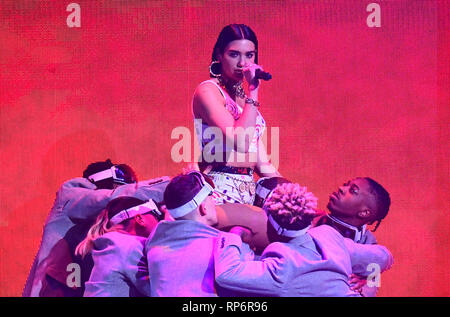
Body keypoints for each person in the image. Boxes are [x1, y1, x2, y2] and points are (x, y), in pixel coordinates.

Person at [214, 182, 394, 297]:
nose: (341, 188)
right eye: (347, 184)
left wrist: (369, 281)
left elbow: (383, 259)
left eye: (352, 191)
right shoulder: (320, 225)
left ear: (364, 213)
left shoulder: (363, 242)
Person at [22, 159, 170, 297]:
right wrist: (178, 185)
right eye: (122, 185)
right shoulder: (70, 194)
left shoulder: (106, 231)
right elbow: (113, 197)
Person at [192, 24, 280, 205]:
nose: (242, 63)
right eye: (234, 54)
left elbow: (262, 164)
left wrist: (294, 193)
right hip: (216, 192)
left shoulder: (244, 99)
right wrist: (254, 90)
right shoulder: (208, 91)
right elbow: (241, 142)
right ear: (219, 54)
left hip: (248, 192)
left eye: (249, 55)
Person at [145, 171, 253, 296]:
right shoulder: (222, 243)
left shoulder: (153, 242)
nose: (215, 203)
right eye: (211, 198)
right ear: (203, 207)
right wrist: (236, 235)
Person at [75, 196, 164, 297]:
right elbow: (158, 289)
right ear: (140, 219)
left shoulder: (115, 244)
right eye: (156, 215)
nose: (160, 222)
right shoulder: (129, 245)